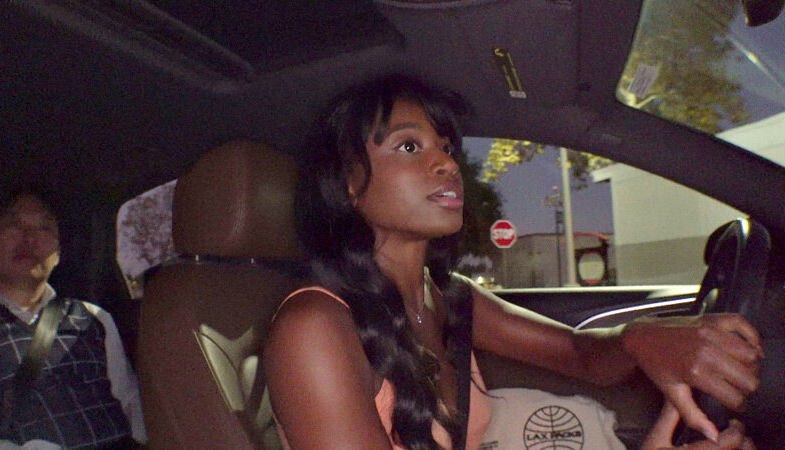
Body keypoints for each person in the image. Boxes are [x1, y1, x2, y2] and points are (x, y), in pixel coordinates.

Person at [264, 74, 760, 449]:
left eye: (446, 147)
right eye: (409, 146)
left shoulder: (448, 298)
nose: (447, 164)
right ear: (349, 184)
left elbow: (580, 355)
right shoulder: (314, 327)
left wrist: (640, 337)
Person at [0, 184, 147, 449]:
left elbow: (133, 408)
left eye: (44, 228)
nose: (30, 238)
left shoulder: (93, 318)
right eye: (13, 225)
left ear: (58, 253)